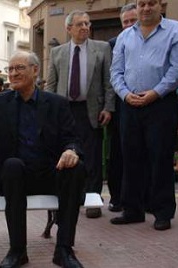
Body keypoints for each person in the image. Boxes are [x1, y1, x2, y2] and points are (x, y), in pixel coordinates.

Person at [0, 52, 86, 268]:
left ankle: (64, 249)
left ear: (35, 70)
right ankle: (17, 251)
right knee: (12, 165)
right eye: (11, 69)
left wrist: (71, 150)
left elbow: (72, 138)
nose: (14, 73)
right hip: (14, 178)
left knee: (75, 168)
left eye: (20, 68)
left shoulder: (57, 104)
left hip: (49, 173)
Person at [110, 0, 178, 231]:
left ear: (160, 6)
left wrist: (155, 93)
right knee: (131, 158)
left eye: (151, 3)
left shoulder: (176, 30)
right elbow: (115, 71)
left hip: (161, 104)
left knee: (161, 158)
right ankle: (132, 210)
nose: (146, 8)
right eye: (141, 4)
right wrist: (125, 95)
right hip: (130, 104)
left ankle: (162, 211)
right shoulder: (125, 37)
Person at [46, 10, 114, 219]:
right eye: (80, 24)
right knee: (65, 154)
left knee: (92, 158)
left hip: (91, 110)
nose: (85, 27)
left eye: (87, 23)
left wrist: (108, 108)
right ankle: (67, 198)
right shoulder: (57, 53)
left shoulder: (102, 49)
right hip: (64, 111)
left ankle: (93, 199)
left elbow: (108, 82)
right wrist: (48, 111)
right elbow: (51, 84)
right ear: (69, 29)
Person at [107, 3, 138, 213]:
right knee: (117, 155)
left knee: (142, 155)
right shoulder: (112, 43)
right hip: (119, 107)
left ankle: (143, 199)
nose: (128, 25)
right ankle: (117, 198)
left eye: (132, 21)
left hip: (147, 104)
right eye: (125, 21)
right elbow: (108, 77)